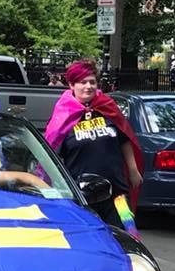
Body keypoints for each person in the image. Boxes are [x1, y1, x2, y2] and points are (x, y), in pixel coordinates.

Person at [44, 59, 143, 227]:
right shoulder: (63, 116)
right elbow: (51, 155)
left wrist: (133, 170)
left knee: (127, 234)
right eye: (82, 82)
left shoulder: (107, 107)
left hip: (117, 193)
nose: (88, 87)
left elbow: (125, 139)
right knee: (90, 240)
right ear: (71, 85)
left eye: (92, 82)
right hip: (82, 197)